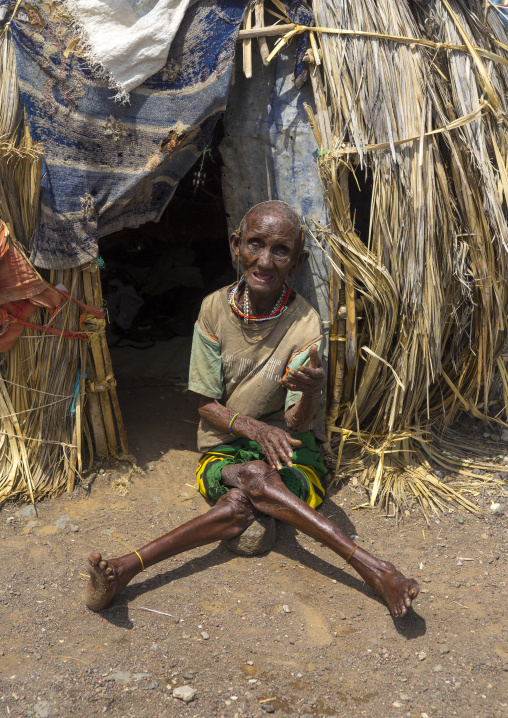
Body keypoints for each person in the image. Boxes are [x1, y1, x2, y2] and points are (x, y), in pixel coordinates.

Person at [85, 200, 419, 618]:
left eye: (280, 251)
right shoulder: (212, 309)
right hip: (224, 449)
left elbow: (297, 422)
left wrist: (311, 394)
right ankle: (378, 570)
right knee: (253, 478)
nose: (264, 260)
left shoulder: (305, 324)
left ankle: (126, 566)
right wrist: (254, 429)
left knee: (242, 502)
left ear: (298, 261)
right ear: (235, 246)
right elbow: (207, 405)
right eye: (255, 244)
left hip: (295, 453)